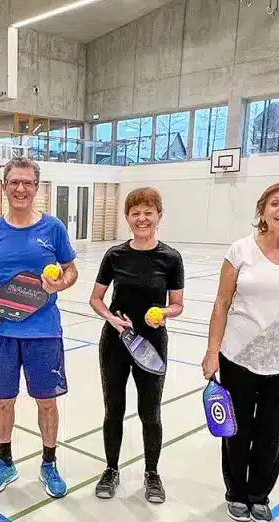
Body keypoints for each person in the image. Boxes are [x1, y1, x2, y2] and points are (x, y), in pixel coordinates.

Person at [202, 180, 279, 522]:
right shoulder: (240, 250)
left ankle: (259, 495)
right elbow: (222, 302)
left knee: (272, 432)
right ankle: (235, 493)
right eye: (275, 203)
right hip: (238, 355)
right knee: (236, 429)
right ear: (263, 211)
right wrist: (212, 351)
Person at [0, 157, 78, 499]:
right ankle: (5, 463)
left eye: (27, 183)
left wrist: (60, 283)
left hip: (44, 333)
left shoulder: (53, 228)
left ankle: (49, 463)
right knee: (4, 401)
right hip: (3, 333)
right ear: (4, 187)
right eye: (14, 182)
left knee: (46, 402)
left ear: (36, 187)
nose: (21, 188)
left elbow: (71, 270)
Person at [88, 187, 184, 502]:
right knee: (113, 408)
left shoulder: (171, 258)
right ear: (127, 217)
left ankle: (152, 474)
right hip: (115, 343)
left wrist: (164, 313)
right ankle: (111, 469)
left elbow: (177, 305)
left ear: (159, 216)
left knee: (150, 412)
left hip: (152, 345)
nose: (142, 218)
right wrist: (111, 319)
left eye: (148, 212)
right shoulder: (114, 255)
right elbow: (96, 299)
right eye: (135, 213)